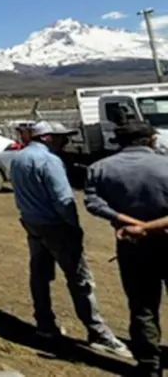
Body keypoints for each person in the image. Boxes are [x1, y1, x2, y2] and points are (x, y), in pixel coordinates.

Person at [9, 121, 130, 357]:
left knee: (40, 275)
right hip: (56, 226)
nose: (65, 141)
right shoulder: (50, 161)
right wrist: (74, 227)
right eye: (60, 137)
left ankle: (45, 324)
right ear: (46, 138)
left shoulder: (19, 158)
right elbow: (63, 200)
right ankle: (98, 332)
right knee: (80, 279)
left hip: (32, 222)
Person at [85, 121, 168, 375]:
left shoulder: (100, 168)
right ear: (151, 140)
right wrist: (148, 226)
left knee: (142, 307)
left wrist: (131, 224)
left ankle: (149, 365)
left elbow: (93, 203)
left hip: (132, 246)